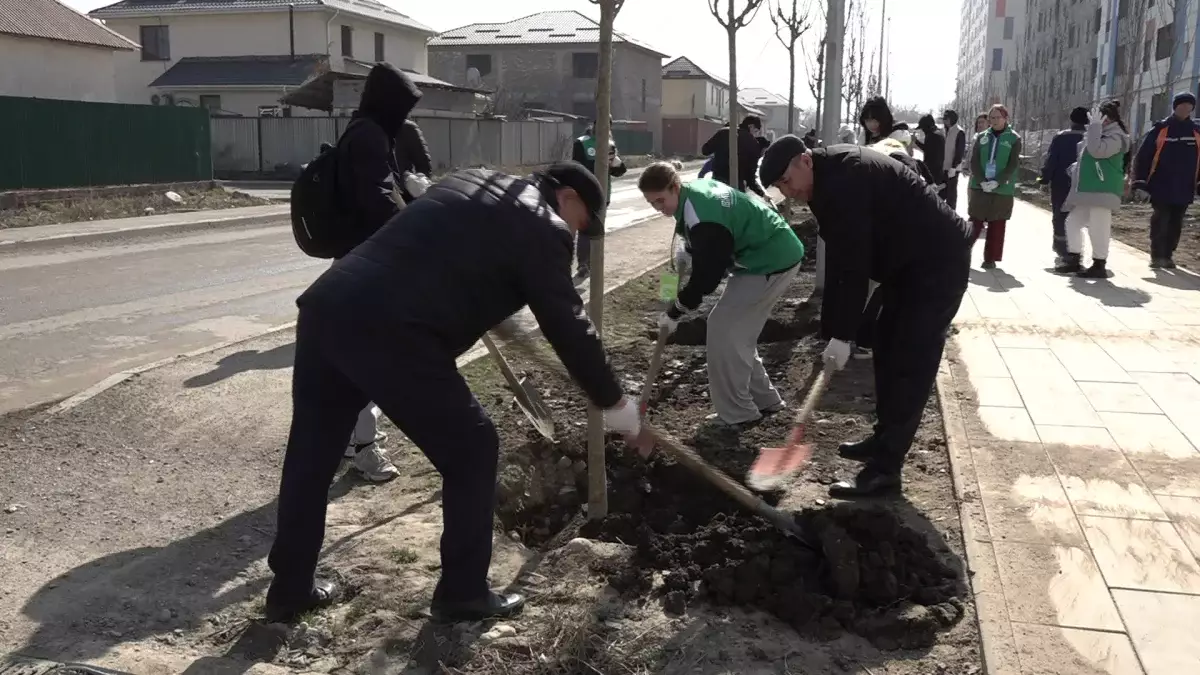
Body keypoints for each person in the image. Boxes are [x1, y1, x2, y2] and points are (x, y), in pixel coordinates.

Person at [264, 161, 644, 624]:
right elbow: (570, 327)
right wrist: (617, 404)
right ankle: (463, 592)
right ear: (567, 198)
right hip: (391, 331)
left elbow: (445, 254)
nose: (576, 232)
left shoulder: (472, 179)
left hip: (328, 309)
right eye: (581, 222)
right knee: (472, 447)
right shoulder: (544, 225)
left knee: (312, 456)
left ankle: (288, 589)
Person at [759, 136, 972, 497]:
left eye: (785, 180)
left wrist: (842, 334)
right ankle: (883, 439)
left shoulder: (845, 180)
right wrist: (836, 332)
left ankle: (885, 472)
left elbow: (853, 265)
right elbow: (844, 259)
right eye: (779, 187)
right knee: (886, 346)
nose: (786, 191)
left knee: (910, 363)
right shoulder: (826, 180)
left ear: (804, 161)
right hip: (907, 266)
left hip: (937, 265)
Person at [638, 162, 805, 427]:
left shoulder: (702, 216)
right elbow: (708, 245)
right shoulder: (693, 194)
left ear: (675, 186)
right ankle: (765, 400)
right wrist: (690, 250)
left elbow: (708, 276)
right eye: (652, 203)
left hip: (769, 260)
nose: (659, 209)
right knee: (735, 333)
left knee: (721, 328)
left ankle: (738, 413)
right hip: (769, 253)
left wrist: (676, 311)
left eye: (661, 200)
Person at [332, 63, 426, 482]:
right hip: (368, 267)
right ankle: (363, 451)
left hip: (361, 261)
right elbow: (377, 201)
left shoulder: (366, 130)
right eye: (402, 107)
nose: (404, 117)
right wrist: (414, 213)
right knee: (372, 362)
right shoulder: (369, 136)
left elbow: (382, 191)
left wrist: (408, 188)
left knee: (360, 360)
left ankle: (350, 442)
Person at [1055, 101, 1132, 278]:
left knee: (1099, 227)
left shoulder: (1116, 137)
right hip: (1088, 189)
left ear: (1110, 119)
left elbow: (1097, 151)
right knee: (1072, 222)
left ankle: (1099, 264)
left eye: (1100, 118)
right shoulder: (1096, 133)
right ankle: (1074, 259)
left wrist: (1095, 128)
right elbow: (1086, 156)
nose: (1095, 121)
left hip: (1103, 189)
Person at [1130, 91, 1200, 269]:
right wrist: (1139, 182)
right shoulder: (1161, 129)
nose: (1185, 108)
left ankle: (1168, 255)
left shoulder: (1196, 132)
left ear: (1192, 108)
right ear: (1175, 107)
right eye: (1181, 105)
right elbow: (1143, 157)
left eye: (1189, 105)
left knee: (1176, 223)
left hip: (1185, 186)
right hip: (1161, 185)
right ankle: (1157, 256)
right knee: (1161, 219)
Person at [572, 119, 629, 281]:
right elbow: (577, 168)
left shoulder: (610, 145)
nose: (604, 128)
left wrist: (615, 162)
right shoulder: (582, 143)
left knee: (597, 229)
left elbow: (619, 172)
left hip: (604, 194)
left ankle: (594, 263)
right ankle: (584, 264)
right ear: (595, 125)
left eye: (608, 125)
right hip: (584, 193)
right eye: (602, 124)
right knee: (585, 228)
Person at [967, 104, 1022, 269]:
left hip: (1002, 188)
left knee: (997, 223)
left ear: (1006, 118)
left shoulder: (1014, 138)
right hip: (980, 185)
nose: (995, 121)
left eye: (998, 117)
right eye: (991, 118)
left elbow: (1013, 164)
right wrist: (981, 180)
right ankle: (962, 251)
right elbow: (974, 161)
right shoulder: (981, 136)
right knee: (975, 221)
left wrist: (998, 181)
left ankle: (990, 258)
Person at [1040, 107, 1090, 262]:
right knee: (1079, 217)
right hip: (1085, 184)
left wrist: (1044, 179)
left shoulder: (1061, 137)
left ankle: (1063, 248)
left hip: (1061, 183)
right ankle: (1076, 249)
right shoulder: (1093, 138)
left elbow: (1051, 160)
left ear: (1071, 119)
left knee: (1060, 215)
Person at [701, 115, 770, 200]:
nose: (755, 135)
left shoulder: (723, 132)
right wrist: (762, 193)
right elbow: (750, 178)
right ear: (750, 126)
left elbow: (705, 150)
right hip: (737, 188)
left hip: (717, 183)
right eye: (755, 131)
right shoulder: (753, 143)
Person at [394, 118, 434, 204]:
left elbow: (424, 166)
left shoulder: (407, 128)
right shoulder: (368, 128)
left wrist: (414, 183)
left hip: (404, 196)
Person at [914, 114, 948, 193]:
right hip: (939, 169)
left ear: (926, 126)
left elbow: (927, 150)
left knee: (932, 195)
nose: (922, 130)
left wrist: (916, 141)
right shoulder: (939, 133)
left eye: (923, 128)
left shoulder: (931, 135)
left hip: (932, 170)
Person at [941, 110, 967, 209]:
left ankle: (951, 215)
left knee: (951, 194)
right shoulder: (946, 131)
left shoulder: (959, 132)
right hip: (944, 167)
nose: (944, 121)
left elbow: (959, 152)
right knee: (942, 191)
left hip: (953, 169)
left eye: (946, 119)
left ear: (952, 119)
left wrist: (953, 167)